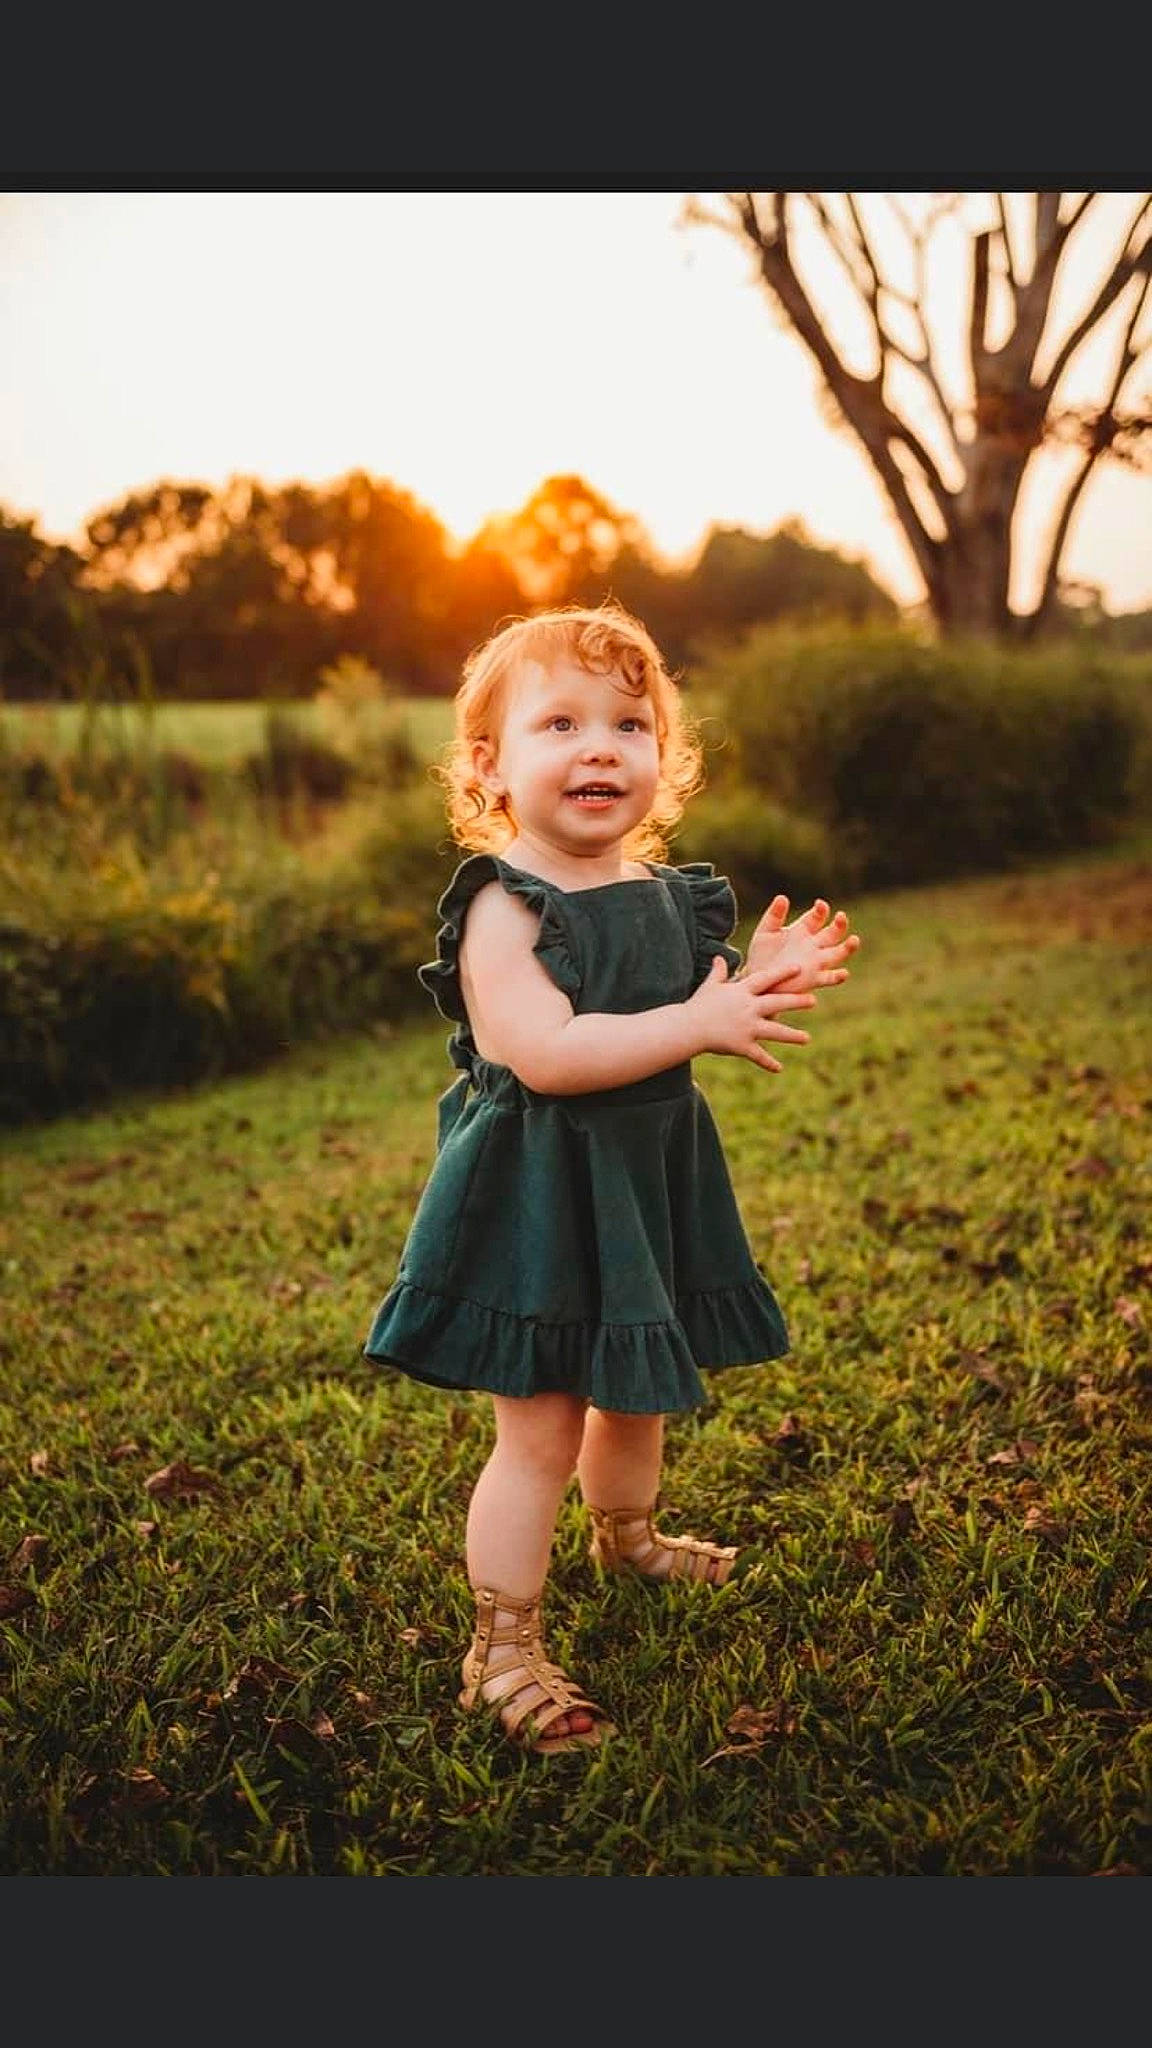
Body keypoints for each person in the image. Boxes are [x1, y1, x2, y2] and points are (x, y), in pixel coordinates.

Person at [363, 601, 860, 1756]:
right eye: (561, 722)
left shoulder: (665, 892)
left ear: (662, 758)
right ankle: (502, 1646)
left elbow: (704, 996)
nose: (601, 746)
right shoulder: (503, 905)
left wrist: (761, 977)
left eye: (631, 723)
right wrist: (699, 1016)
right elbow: (547, 1051)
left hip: (642, 1182)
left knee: (637, 1386)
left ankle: (627, 1533)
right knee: (540, 1429)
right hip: (536, 1196)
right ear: (490, 764)